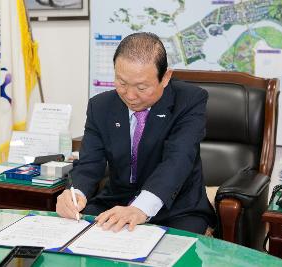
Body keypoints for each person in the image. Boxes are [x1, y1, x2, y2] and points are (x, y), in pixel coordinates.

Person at [56, 32, 216, 234]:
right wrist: (74, 194)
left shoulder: (190, 100)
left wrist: (140, 208)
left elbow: (178, 159)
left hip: (176, 208)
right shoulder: (101, 106)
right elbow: (89, 163)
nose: (130, 96)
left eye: (141, 87)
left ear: (165, 77)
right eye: (122, 83)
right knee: (74, 237)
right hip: (115, 203)